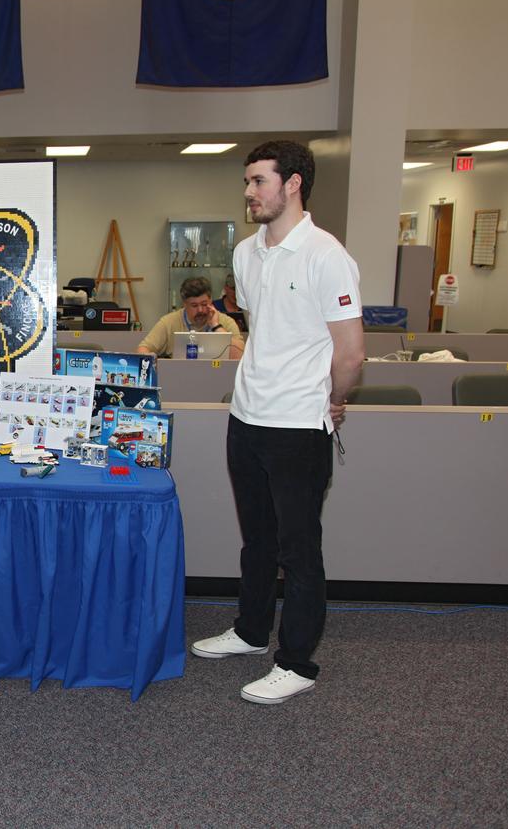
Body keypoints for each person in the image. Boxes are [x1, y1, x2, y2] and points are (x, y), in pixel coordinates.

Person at [190, 140, 365, 705]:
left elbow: (351, 353)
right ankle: (249, 631)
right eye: (247, 182)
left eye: (258, 181)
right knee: (257, 540)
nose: (248, 192)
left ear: (292, 184)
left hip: (297, 424)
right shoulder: (245, 253)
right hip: (247, 416)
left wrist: (332, 401)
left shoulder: (326, 255)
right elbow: (264, 329)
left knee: (299, 548)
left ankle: (296, 661)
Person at [136, 277, 245, 359]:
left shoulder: (226, 322)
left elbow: (240, 356)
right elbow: (142, 349)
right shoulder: (169, 322)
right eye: (194, 306)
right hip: (179, 379)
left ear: (211, 300)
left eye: (204, 304)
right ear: (184, 304)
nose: (200, 310)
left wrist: (216, 326)